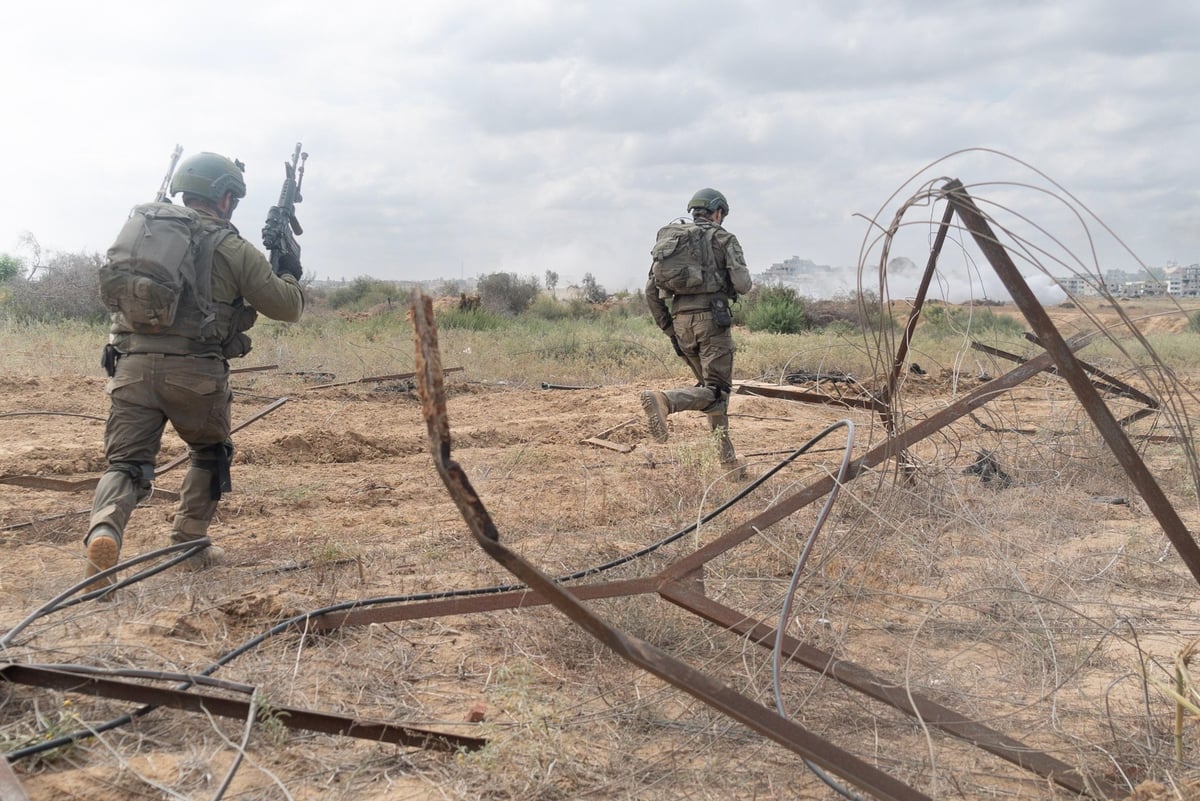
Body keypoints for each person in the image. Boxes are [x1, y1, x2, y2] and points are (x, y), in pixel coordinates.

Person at [84, 152, 306, 590]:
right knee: (209, 452)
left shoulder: (145, 236)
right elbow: (287, 307)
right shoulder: (231, 247)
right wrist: (289, 270)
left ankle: (104, 532)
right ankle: (188, 544)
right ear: (225, 199)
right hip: (196, 376)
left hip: (130, 368)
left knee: (125, 464)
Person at [641, 187, 752, 466]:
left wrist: (670, 329)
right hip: (712, 322)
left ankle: (728, 463)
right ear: (717, 212)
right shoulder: (723, 238)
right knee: (718, 391)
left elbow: (650, 292)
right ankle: (666, 400)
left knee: (711, 393)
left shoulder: (673, 242)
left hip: (681, 324)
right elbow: (743, 285)